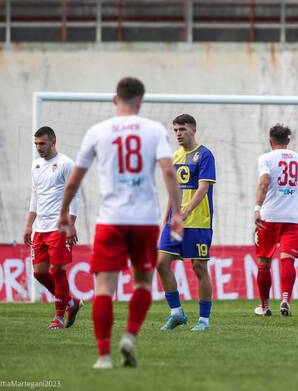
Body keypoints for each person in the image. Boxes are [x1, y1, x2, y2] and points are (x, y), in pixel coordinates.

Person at [58, 77, 183, 369]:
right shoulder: (153, 130)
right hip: (144, 221)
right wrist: (177, 213)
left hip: (110, 220)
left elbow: (74, 179)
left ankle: (103, 355)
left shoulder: (97, 131)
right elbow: (168, 171)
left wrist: (64, 212)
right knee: (142, 282)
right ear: (140, 101)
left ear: (116, 100)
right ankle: (129, 335)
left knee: (103, 288)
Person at [157, 114, 216, 331]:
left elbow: (203, 188)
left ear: (193, 130)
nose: (178, 134)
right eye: (175, 130)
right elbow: (174, 192)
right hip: (175, 222)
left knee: (199, 268)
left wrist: (186, 210)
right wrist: (167, 218)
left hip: (198, 222)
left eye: (182, 129)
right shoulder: (175, 157)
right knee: (161, 263)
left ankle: (204, 320)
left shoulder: (205, 155)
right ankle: (176, 313)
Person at [23, 126, 83, 329]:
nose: (39, 147)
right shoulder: (36, 166)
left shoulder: (66, 164)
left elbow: (75, 195)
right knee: (39, 273)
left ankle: (58, 317)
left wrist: (71, 223)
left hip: (59, 227)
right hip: (40, 228)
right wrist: (29, 224)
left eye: (42, 143)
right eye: (36, 144)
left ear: (53, 142)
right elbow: (35, 196)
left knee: (58, 271)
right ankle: (71, 302)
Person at [253, 124, 298, 317]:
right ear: (288, 140)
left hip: (269, 216)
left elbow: (264, 182)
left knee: (264, 262)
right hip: (292, 218)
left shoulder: (265, 158)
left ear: (270, 141)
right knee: (288, 261)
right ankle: (285, 299)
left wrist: (257, 208)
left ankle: (265, 306)